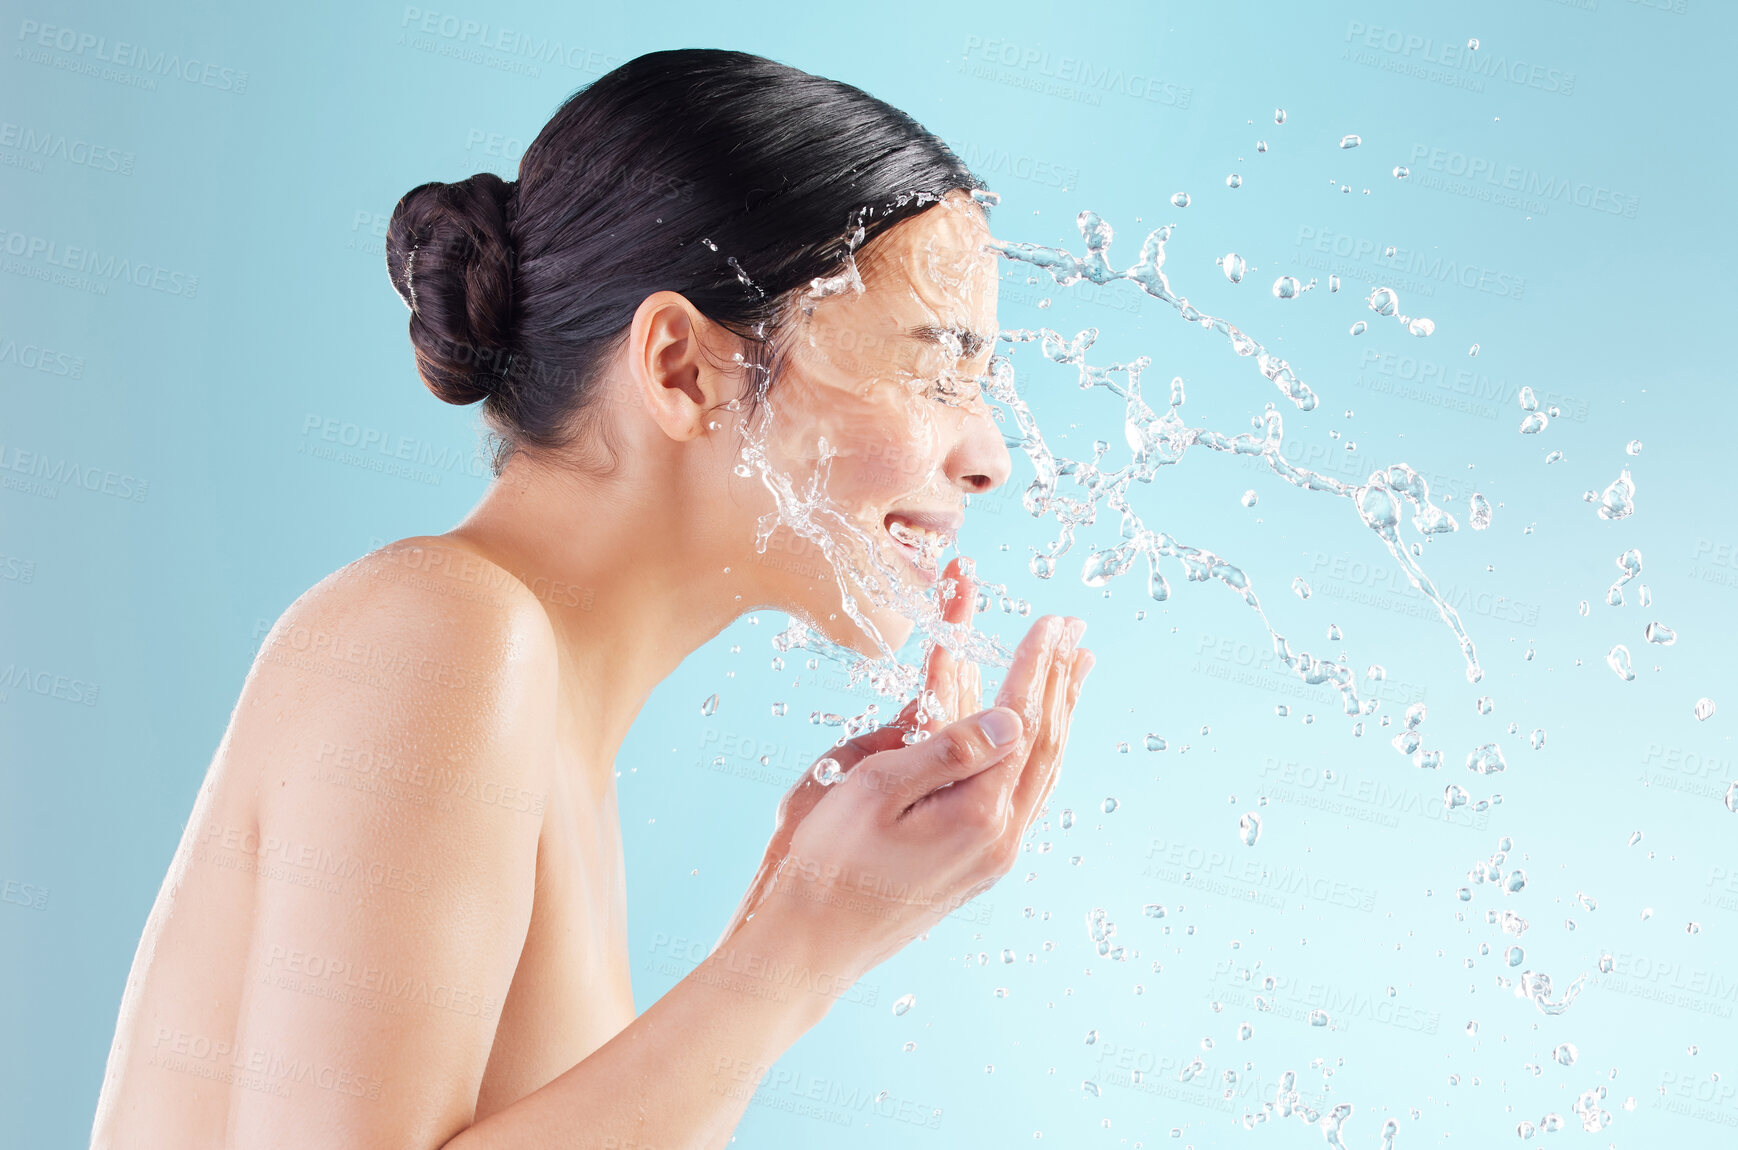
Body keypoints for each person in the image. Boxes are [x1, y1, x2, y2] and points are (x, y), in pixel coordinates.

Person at [91, 48, 1092, 1148]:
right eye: (934, 372)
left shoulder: (528, 700)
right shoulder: (444, 633)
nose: (992, 454)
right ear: (679, 370)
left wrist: (787, 912)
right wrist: (800, 948)